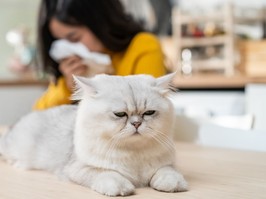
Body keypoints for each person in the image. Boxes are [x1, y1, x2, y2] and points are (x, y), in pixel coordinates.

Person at [34, 0, 167, 110]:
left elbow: (150, 109)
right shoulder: (73, 65)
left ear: (99, 22)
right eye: (61, 42)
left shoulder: (143, 46)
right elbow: (38, 117)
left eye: (74, 38)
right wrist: (67, 88)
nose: (70, 48)